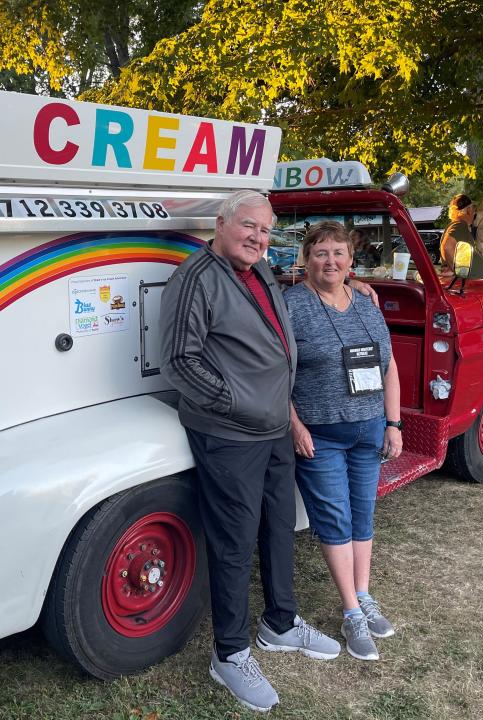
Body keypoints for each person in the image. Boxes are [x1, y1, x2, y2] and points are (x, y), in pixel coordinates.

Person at [158, 190, 344, 713]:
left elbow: (275, 329)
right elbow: (178, 359)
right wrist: (239, 402)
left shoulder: (259, 271)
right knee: (235, 542)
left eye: (265, 230)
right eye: (249, 226)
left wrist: (357, 289)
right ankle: (230, 653)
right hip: (231, 432)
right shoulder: (197, 278)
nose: (258, 238)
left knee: (279, 526)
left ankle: (280, 623)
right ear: (221, 224)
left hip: (272, 426)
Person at [286, 221, 402, 662]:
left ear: (351, 260)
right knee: (335, 519)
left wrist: (394, 424)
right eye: (320, 253)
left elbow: (388, 366)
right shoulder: (291, 305)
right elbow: (277, 374)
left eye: (338, 252)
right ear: (305, 260)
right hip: (321, 435)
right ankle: (352, 611)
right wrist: (295, 425)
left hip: (369, 427)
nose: (330, 260)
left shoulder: (367, 303)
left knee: (363, 512)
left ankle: (365, 593)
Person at [439, 194, 483, 279]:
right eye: (473, 209)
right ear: (468, 210)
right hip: (464, 284)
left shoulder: (457, 226)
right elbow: (447, 247)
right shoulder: (460, 225)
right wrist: (456, 271)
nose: (474, 212)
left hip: (467, 283)